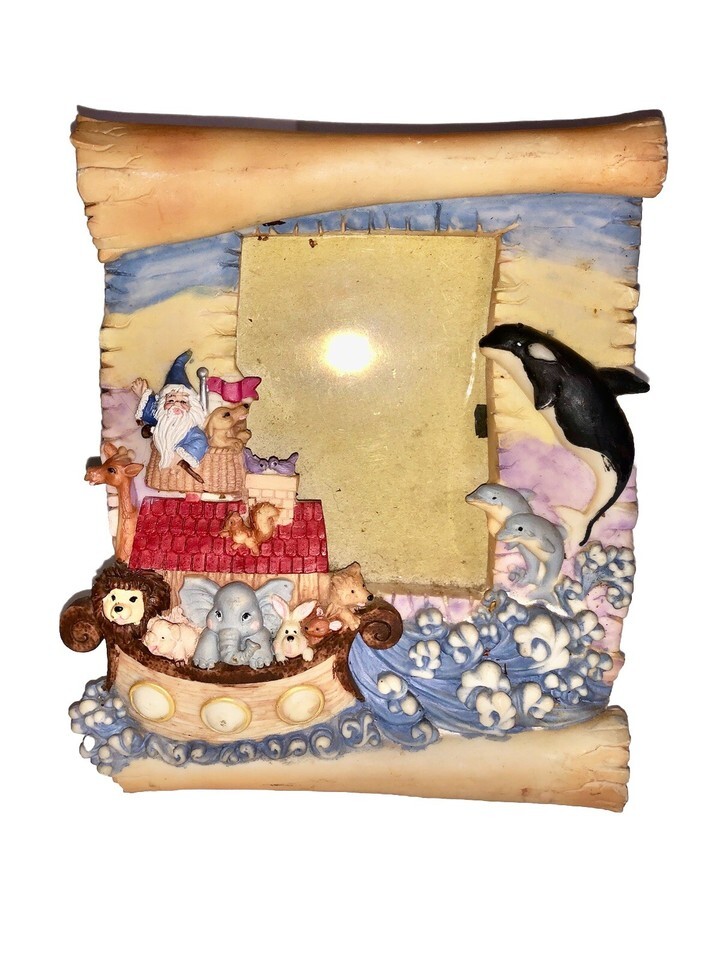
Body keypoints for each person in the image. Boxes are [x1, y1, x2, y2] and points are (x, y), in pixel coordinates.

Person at [131, 350, 208, 484]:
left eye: (183, 401)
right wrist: (142, 394)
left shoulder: (192, 430)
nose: (176, 405)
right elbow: (149, 410)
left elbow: (200, 442)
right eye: (171, 400)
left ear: (192, 407)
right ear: (163, 403)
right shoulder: (162, 417)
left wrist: (180, 456)